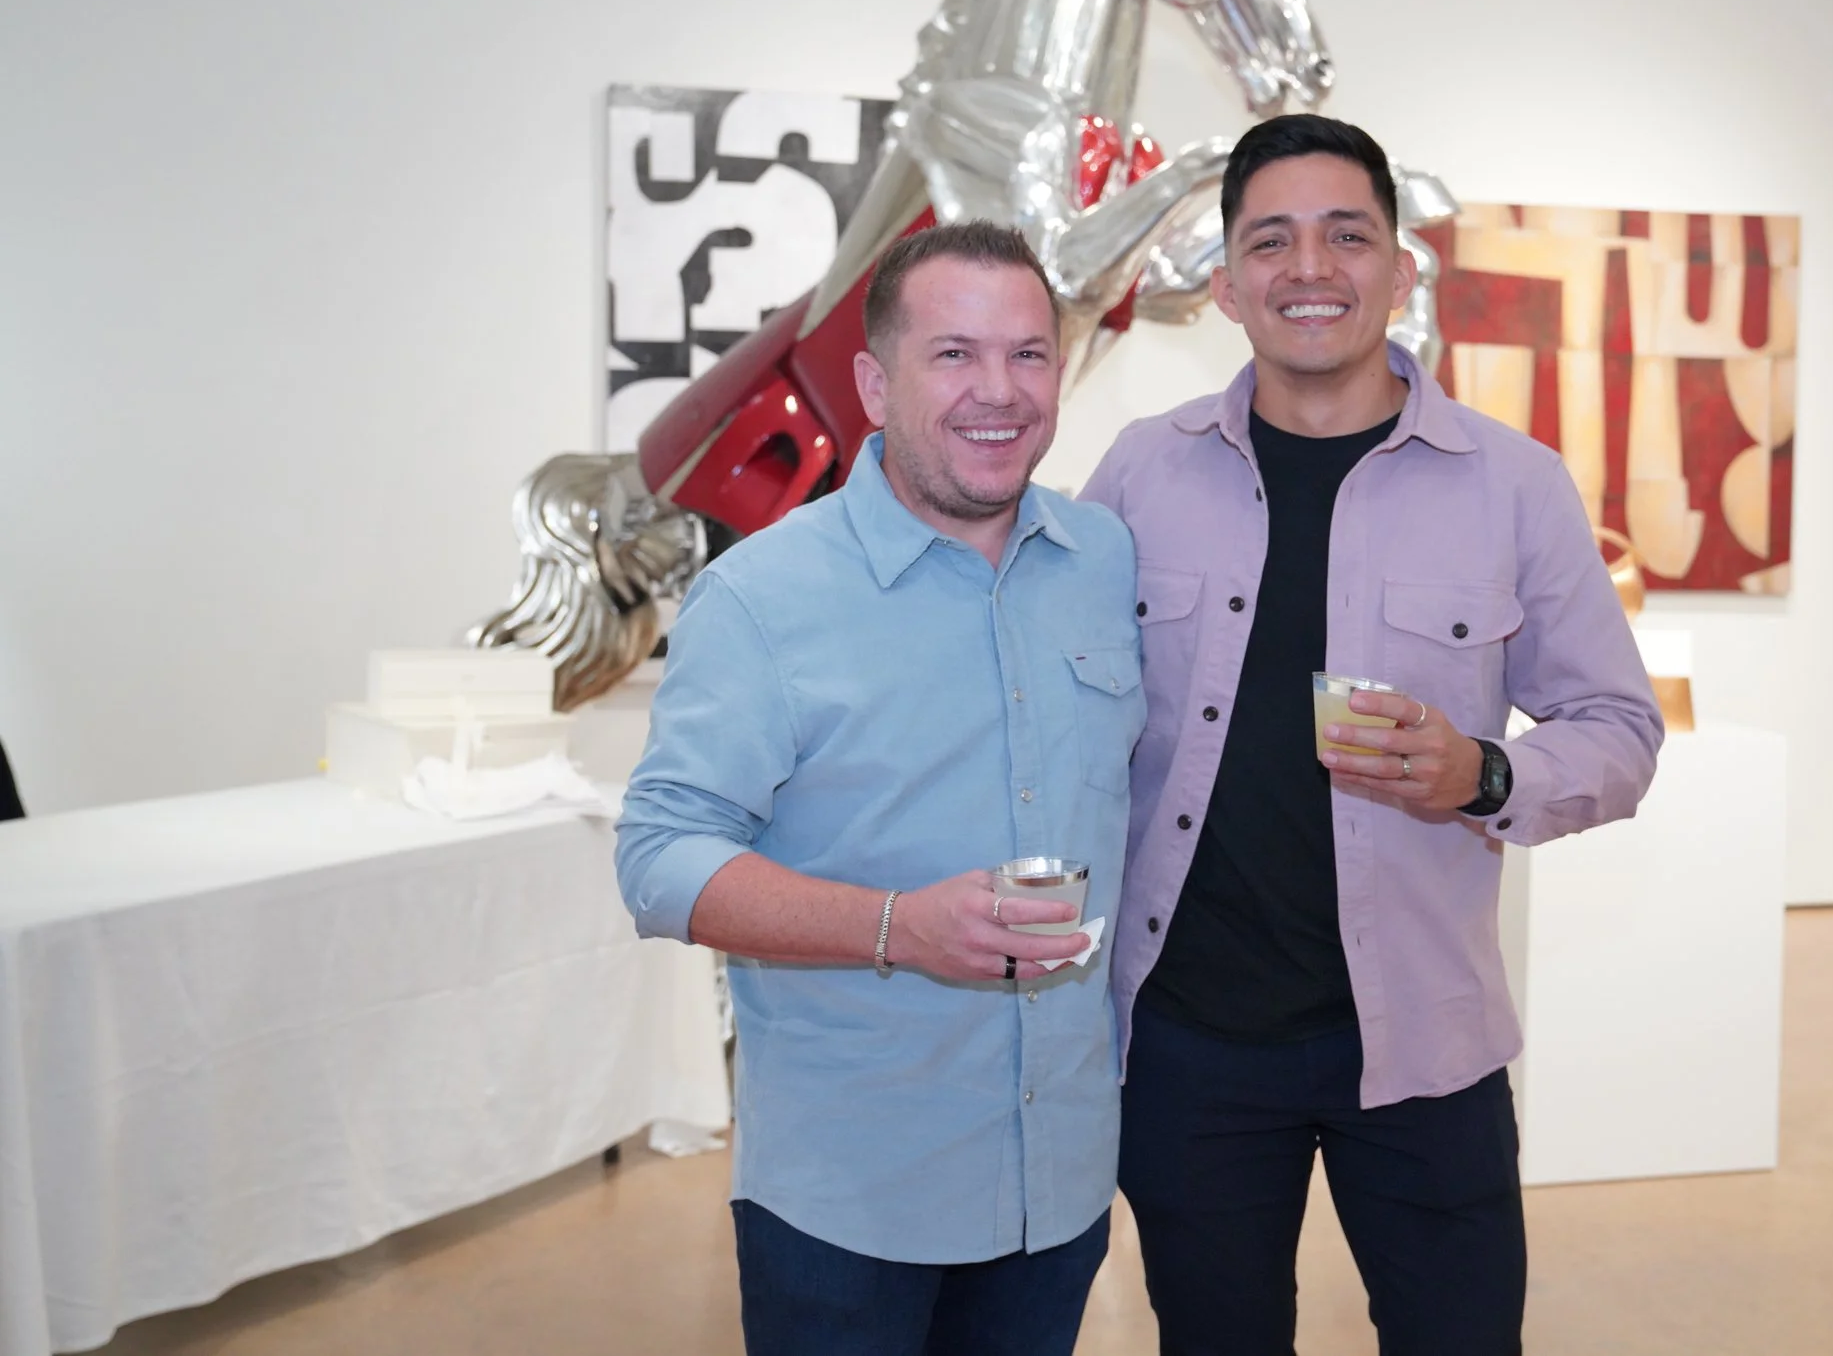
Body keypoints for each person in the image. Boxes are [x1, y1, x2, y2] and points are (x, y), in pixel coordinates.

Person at [1080, 115, 1665, 1356]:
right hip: (1188, 1044)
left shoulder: (1514, 486)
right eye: (1270, 239)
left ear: (1401, 269)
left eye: (1347, 234)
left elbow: (1619, 727)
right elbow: (1052, 704)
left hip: (1423, 1038)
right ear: (1226, 282)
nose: (1310, 268)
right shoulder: (1141, 472)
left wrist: (1483, 770)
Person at [616, 220, 1146, 1356]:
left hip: (1055, 1185)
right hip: (849, 1203)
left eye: (1029, 353)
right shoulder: (763, 597)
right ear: (872, 381)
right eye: (952, 353)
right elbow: (658, 859)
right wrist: (898, 926)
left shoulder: (1108, 563)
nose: (996, 391)